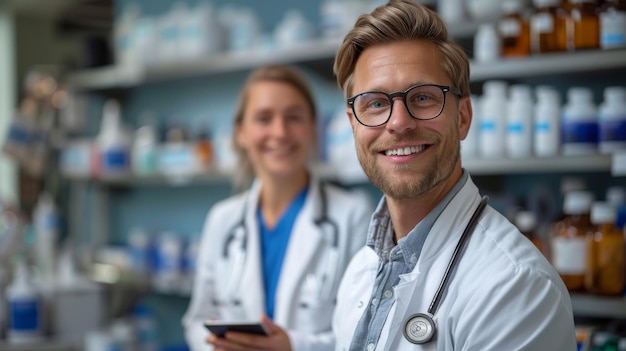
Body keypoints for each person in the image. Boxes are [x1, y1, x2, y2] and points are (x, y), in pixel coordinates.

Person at [331, 1, 577, 350]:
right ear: (353, 124)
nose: (398, 122)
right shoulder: (360, 271)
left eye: (423, 98)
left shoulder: (516, 287)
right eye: (375, 103)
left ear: (462, 117)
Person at [181, 65, 373, 351]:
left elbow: (365, 330)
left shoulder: (353, 215)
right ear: (241, 132)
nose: (280, 132)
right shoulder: (223, 219)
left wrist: (294, 346)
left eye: (294, 118)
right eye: (263, 118)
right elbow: (197, 321)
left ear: (311, 127)